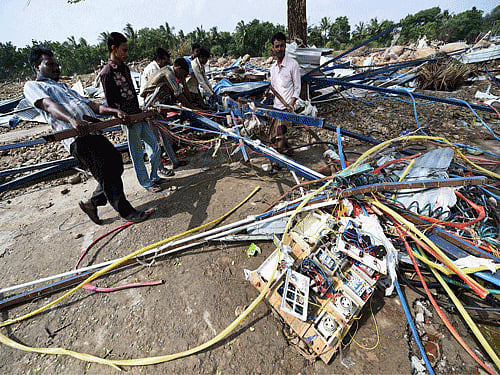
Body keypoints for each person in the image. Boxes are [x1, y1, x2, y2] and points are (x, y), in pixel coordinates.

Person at [24, 47, 152, 224]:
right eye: (50, 64)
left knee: (115, 163)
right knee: (106, 171)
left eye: (56, 64)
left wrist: (114, 111)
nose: (56, 68)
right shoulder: (34, 86)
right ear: (36, 67)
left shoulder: (63, 87)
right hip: (78, 138)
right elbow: (49, 106)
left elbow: (93, 106)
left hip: (92, 131)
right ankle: (127, 212)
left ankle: (92, 203)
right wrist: (71, 119)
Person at [100, 32, 168, 193]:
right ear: (114, 49)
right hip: (127, 119)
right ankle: (147, 183)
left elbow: (132, 91)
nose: (127, 54)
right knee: (137, 154)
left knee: (155, 147)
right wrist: (120, 115)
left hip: (138, 114)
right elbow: (110, 103)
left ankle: (154, 177)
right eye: (124, 50)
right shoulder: (106, 73)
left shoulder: (124, 68)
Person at [139, 48, 185, 170]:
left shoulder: (161, 69)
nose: (167, 64)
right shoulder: (153, 69)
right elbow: (155, 92)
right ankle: (159, 168)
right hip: (149, 108)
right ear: (159, 60)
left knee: (166, 135)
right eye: (165, 61)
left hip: (158, 107)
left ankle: (174, 161)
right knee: (154, 140)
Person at [269, 32, 301, 155]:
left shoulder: (293, 65)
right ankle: (289, 150)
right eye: (277, 46)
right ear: (273, 48)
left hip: (286, 108)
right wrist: (269, 95)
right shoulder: (273, 68)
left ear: (285, 47)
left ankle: (277, 164)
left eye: (282, 46)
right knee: (272, 137)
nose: (279, 49)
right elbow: (275, 90)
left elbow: (297, 88)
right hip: (276, 107)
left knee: (280, 136)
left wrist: (291, 104)